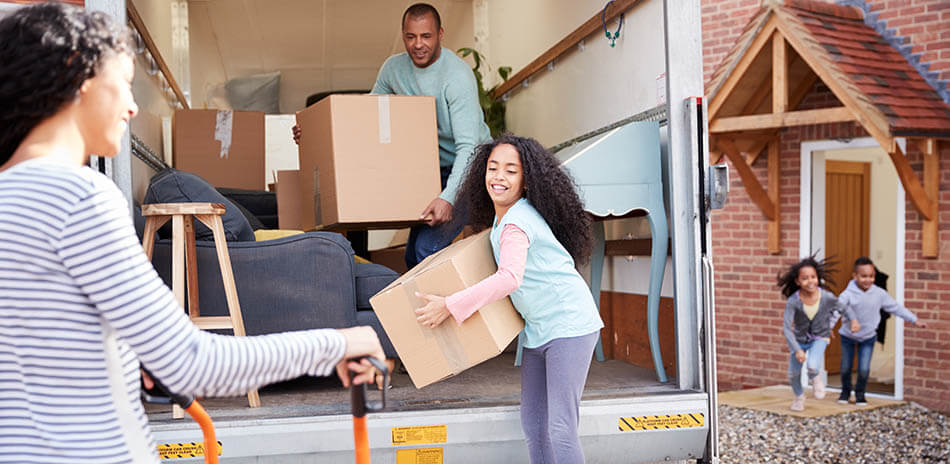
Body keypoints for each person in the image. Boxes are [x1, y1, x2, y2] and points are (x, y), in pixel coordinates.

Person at [0, 4, 384, 463]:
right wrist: (340, 341)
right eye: (122, 83)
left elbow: (37, 344)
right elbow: (194, 363)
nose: (132, 105)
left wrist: (125, 356)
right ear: (77, 77)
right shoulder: (80, 196)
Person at [414, 135, 604, 464]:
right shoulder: (505, 218)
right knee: (533, 424)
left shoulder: (516, 222)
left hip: (569, 327)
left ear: (526, 181)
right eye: (493, 168)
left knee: (560, 427)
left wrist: (450, 305)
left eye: (511, 171)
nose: (499, 177)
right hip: (540, 330)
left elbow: (509, 278)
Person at [292, 3, 491, 269]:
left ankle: (444, 309)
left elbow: (470, 148)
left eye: (426, 36)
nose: (418, 44)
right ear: (403, 35)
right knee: (412, 257)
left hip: (470, 168)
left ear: (440, 34)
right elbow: (365, 116)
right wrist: (313, 135)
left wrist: (447, 198)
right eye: (410, 37)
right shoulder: (393, 69)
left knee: (426, 249)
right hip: (429, 168)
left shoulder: (456, 77)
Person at [834, 257, 928, 406]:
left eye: (871, 276)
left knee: (864, 369)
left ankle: (860, 394)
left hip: (868, 337)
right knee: (846, 367)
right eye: (864, 276)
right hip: (848, 336)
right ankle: (845, 392)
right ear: (855, 276)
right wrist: (826, 330)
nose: (868, 280)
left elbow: (895, 308)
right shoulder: (847, 295)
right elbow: (835, 312)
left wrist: (914, 319)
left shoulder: (879, 293)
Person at [778, 255, 858, 412]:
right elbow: (787, 328)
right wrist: (797, 349)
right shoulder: (794, 301)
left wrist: (853, 320)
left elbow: (844, 308)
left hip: (820, 337)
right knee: (793, 374)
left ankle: (815, 378)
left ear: (818, 278)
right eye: (805, 278)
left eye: (813, 277)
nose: (810, 281)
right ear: (797, 282)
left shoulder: (826, 297)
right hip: (799, 340)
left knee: (813, 365)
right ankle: (799, 397)